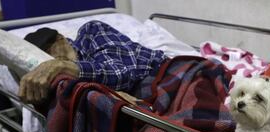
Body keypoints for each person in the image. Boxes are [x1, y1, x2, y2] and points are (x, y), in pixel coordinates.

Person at [20, 21, 167, 103]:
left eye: (48, 50)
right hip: (147, 98)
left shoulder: (90, 32)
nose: (49, 58)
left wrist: (62, 65)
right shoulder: (65, 80)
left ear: (61, 39)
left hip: (165, 73)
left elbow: (120, 73)